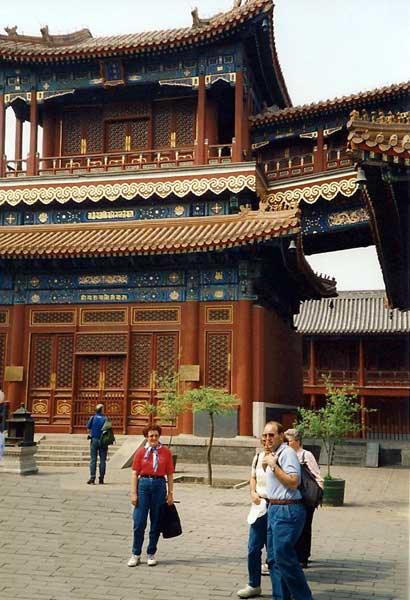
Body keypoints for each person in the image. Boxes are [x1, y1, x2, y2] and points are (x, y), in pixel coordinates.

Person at [262, 421, 313, 600]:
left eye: (271, 435)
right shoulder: (273, 454)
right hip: (274, 508)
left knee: (285, 558)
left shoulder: (288, 453)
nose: (267, 438)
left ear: (281, 436)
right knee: (274, 559)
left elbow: (293, 481)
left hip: (288, 509)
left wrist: (273, 466)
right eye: (265, 435)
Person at [128, 424, 174, 567]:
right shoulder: (141, 452)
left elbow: (170, 474)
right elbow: (135, 473)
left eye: (156, 435)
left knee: (156, 521)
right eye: (150, 436)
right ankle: (136, 553)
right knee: (139, 522)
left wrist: (170, 493)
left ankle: (151, 552)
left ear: (159, 436)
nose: (153, 438)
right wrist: (134, 493)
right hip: (143, 485)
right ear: (146, 437)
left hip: (159, 486)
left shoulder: (166, 452)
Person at [237, 435, 272, 599]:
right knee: (253, 548)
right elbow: (253, 477)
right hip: (259, 506)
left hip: (276, 506)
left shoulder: (281, 457)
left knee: (274, 552)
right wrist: (252, 492)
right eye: (263, 440)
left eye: (270, 439)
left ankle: (282, 589)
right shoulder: (257, 457)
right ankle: (254, 584)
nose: (266, 443)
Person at [285, 428, 323, 569]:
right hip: (291, 497)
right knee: (293, 527)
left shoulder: (305, 455)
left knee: (305, 527)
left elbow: (317, 476)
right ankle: (293, 554)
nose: (286, 444)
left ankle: (303, 557)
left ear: (297, 441)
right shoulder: (284, 455)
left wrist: (317, 494)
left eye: (288, 441)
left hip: (306, 497)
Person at [86, 403, 107, 485]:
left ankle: (92, 477)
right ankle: (101, 478)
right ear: (101, 410)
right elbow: (108, 430)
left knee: (93, 460)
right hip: (103, 441)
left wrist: (93, 431)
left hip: (94, 440)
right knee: (102, 461)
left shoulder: (92, 418)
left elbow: (88, 428)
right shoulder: (105, 419)